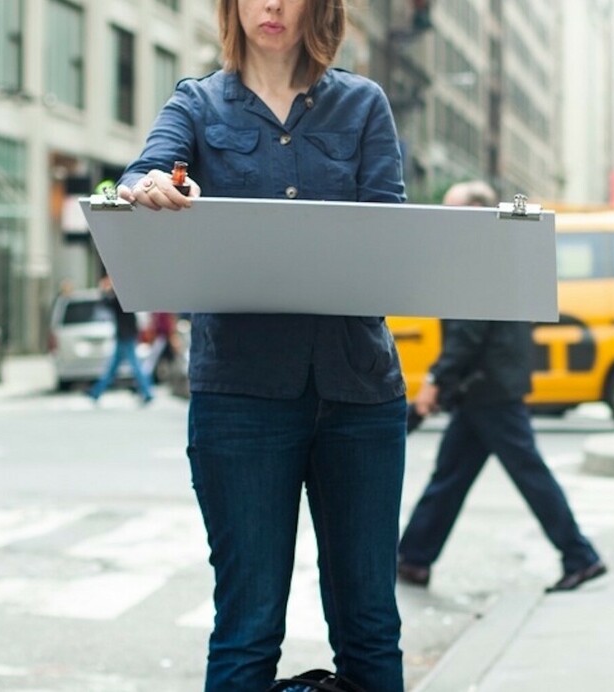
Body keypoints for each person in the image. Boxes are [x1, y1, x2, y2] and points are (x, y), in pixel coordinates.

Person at [115, 0, 408, 688]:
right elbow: (139, 173)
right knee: (247, 628)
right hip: (240, 399)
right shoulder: (197, 104)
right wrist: (147, 185)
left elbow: (389, 242)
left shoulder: (363, 105)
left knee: (370, 627)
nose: (271, 4)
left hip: (359, 394)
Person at [396, 181, 607, 595]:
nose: (444, 218)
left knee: (527, 473)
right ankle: (414, 558)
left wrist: (436, 381)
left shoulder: (477, 256)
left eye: (452, 210)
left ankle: (580, 555)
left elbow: (468, 332)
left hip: (488, 388)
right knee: (450, 477)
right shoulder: (492, 251)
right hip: (486, 387)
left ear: (475, 213)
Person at [88, 274, 155, 405]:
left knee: (134, 366)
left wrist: (104, 290)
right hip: (125, 335)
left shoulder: (120, 295)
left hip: (126, 335)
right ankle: (96, 391)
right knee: (115, 367)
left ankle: (147, 392)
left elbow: (106, 303)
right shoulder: (123, 294)